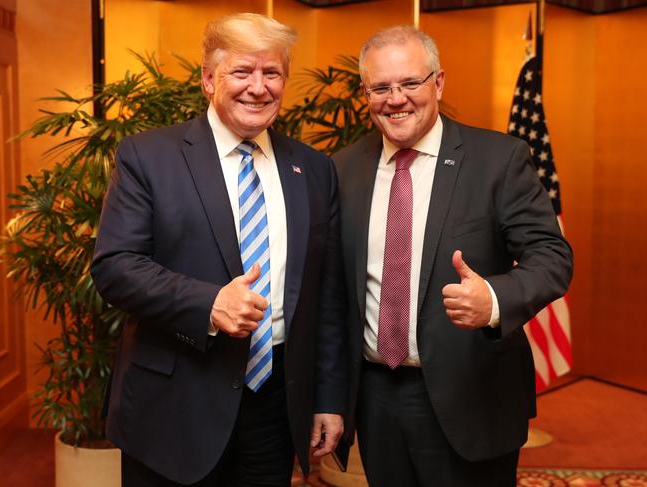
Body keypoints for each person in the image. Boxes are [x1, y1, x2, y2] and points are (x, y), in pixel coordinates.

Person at [91, 13, 346, 487]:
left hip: (274, 407)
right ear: (209, 79)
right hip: (173, 406)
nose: (258, 87)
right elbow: (115, 268)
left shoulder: (313, 169)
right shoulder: (148, 157)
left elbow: (325, 295)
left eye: (271, 73)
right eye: (242, 72)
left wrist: (327, 398)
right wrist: (208, 303)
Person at [333, 26, 573, 487]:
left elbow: (552, 255)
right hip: (375, 395)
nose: (395, 98)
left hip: (472, 391)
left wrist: (495, 299)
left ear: (438, 83)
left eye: (410, 83)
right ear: (366, 93)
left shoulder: (497, 160)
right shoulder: (343, 168)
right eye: (380, 87)